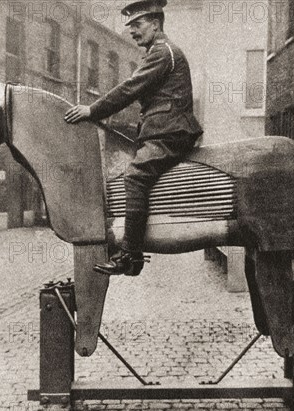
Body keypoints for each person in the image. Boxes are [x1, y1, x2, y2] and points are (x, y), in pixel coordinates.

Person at [64, 0, 203, 276]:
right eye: (130, 27)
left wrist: (92, 110)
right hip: (163, 130)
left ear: (155, 23)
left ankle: (130, 255)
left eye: (138, 25)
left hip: (171, 133)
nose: (132, 32)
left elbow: (129, 89)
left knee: (135, 175)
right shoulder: (160, 52)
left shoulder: (162, 52)